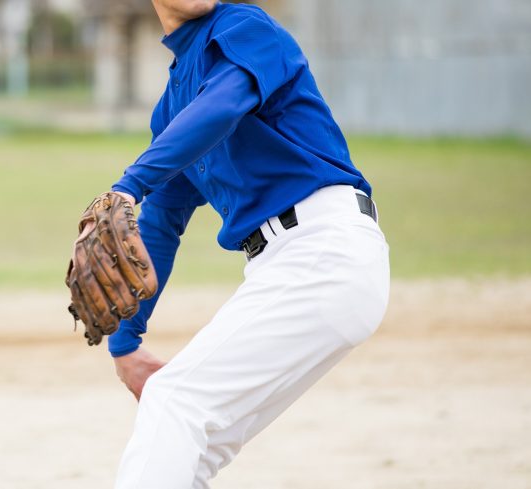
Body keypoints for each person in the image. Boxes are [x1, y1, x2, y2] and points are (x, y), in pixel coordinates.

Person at [104, 1, 390, 487]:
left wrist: (129, 185)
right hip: (290, 263)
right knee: (194, 445)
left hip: (322, 249)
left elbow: (224, 103)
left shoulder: (243, 28)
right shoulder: (175, 101)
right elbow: (162, 221)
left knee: (175, 403)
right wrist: (125, 343)